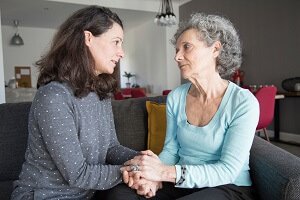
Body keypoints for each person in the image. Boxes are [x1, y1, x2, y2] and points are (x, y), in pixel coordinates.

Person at [106, 12, 260, 200]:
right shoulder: (177, 97)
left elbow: (227, 170)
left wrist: (164, 173)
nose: (177, 57)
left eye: (186, 47)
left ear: (215, 49)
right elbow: (171, 150)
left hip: (227, 186)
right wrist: (152, 179)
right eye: (177, 50)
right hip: (181, 183)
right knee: (118, 193)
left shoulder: (243, 102)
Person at [11, 5, 142, 200]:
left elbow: (110, 148)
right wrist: (133, 171)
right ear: (88, 38)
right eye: (116, 42)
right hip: (45, 195)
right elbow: (77, 174)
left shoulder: (100, 93)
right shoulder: (54, 96)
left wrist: (143, 160)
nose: (121, 52)